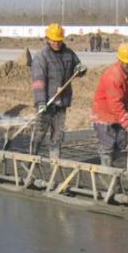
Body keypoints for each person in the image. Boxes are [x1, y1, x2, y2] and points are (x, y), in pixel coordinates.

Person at [30, 23, 86, 158]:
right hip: (46, 102)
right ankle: (32, 157)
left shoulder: (69, 54)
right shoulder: (41, 56)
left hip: (62, 102)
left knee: (58, 135)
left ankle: (55, 162)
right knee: (40, 132)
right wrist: (40, 102)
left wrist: (80, 70)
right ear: (47, 39)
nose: (56, 43)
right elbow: (38, 80)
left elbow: (77, 69)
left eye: (59, 40)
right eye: (54, 40)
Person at [91, 43, 128, 166]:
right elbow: (114, 103)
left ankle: (110, 165)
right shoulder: (113, 76)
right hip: (104, 115)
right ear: (120, 60)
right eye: (127, 63)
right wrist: (126, 121)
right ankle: (106, 170)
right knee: (107, 145)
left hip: (118, 115)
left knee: (122, 142)